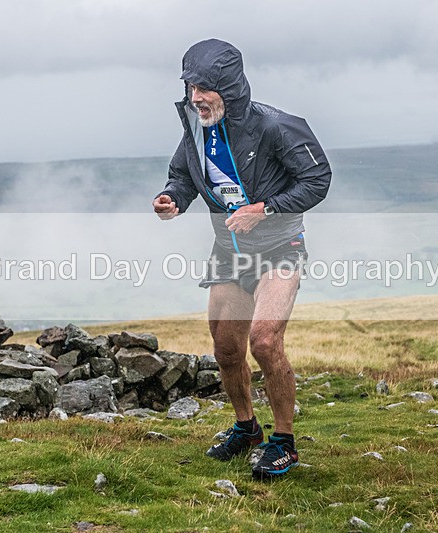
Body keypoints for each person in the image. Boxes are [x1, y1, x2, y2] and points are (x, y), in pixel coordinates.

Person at [152, 38, 332, 480]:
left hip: (279, 248)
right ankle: (246, 427)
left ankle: (284, 443)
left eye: (204, 89)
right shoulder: (196, 126)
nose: (195, 97)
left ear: (229, 88)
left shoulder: (278, 126)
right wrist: (171, 199)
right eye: (191, 87)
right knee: (227, 349)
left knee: (265, 342)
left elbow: (317, 179)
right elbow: (183, 175)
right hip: (229, 252)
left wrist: (263, 208)